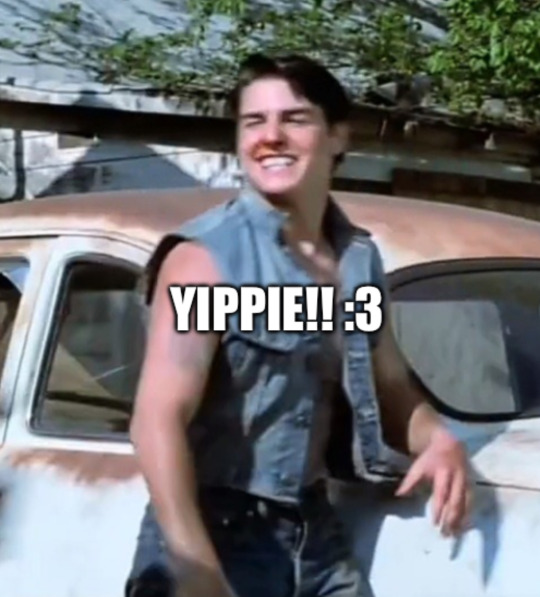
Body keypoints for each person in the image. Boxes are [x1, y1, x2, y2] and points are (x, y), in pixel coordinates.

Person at [126, 53, 472, 597]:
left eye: (294, 119)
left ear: (337, 136)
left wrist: (437, 437)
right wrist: (195, 567)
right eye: (254, 122)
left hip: (315, 535)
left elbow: (391, 384)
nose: (270, 137)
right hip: (216, 532)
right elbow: (157, 419)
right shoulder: (208, 259)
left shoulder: (356, 261)